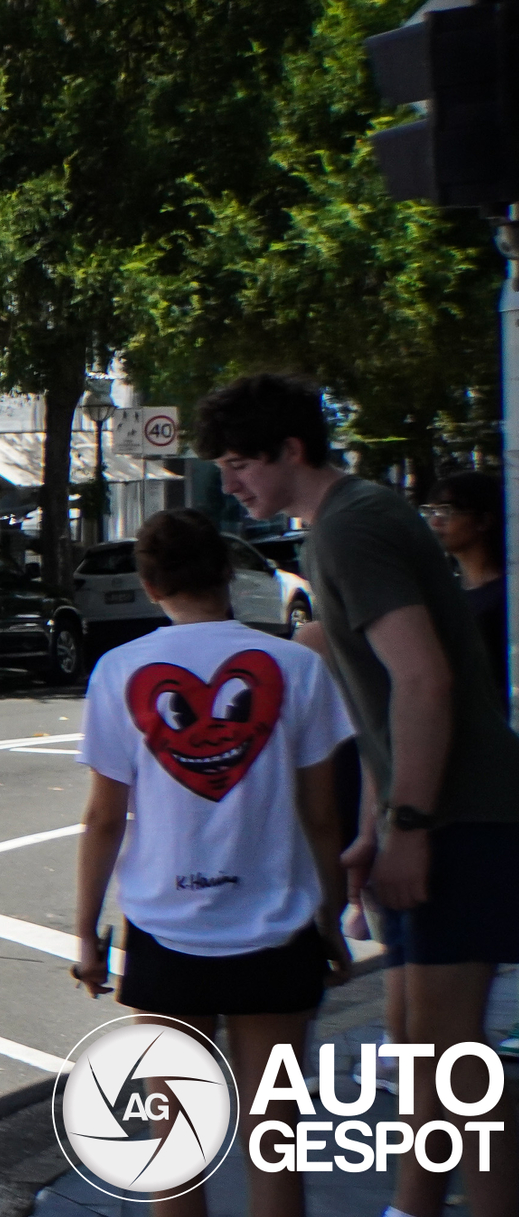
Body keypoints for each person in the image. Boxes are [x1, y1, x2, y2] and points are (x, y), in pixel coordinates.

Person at [196, 374, 519, 1217]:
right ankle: (411, 1207)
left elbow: (423, 680)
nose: (232, 484)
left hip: (461, 815)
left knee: (452, 1053)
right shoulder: (346, 525)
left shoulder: (352, 528)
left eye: (239, 463)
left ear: (290, 451)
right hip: (433, 812)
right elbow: (380, 694)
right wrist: (379, 822)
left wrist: (407, 823)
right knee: (419, 1043)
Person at [71, 509, 353, 1217]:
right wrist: (332, 915)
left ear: (148, 582)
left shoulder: (118, 671)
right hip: (279, 927)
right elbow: (323, 814)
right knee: (276, 1145)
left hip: (166, 933)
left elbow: (104, 817)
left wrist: (86, 933)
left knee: (175, 1151)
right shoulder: (297, 666)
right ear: (228, 573)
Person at [427, 470, 506, 699]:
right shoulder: (444, 593)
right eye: (431, 511)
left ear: (484, 520)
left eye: (446, 511)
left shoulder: (507, 597)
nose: (435, 521)